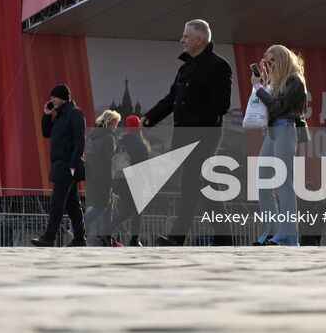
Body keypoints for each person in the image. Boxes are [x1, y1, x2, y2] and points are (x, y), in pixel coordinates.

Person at [142, 19, 232, 246]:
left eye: (186, 36)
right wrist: (149, 117)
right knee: (200, 185)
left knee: (192, 182)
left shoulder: (218, 66)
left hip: (204, 133)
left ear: (199, 39)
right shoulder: (185, 68)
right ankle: (223, 237)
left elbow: (220, 104)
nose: (181, 40)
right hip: (185, 135)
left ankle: (178, 236)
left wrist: (199, 126)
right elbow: (171, 99)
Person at [251, 44, 307, 246]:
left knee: (285, 183)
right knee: (263, 181)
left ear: (283, 59)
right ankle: (271, 232)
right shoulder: (277, 81)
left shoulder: (295, 80)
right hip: (273, 130)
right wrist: (264, 82)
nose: (269, 64)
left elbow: (279, 106)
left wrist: (258, 88)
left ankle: (288, 236)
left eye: (273, 60)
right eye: (267, 60)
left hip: (286, 129)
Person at [33, 84, 87, 246]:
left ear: (63, 97)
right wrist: (46, 115)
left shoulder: (75, 113)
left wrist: (73, 164)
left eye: (54, 97)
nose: (52, 100)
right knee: (72, 205)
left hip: (67, 165)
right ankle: (79, 238)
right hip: (60, 164)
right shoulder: (59, 115)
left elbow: (80, 140)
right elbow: (46, 133)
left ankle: (49, 237)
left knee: (57, 202)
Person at [108, 115, 151, 245]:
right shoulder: (140, 144)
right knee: (137, 210)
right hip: (135, 181)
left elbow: (114, 163)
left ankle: (107, 229)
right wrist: (150, 182)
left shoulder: (121, 143)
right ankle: (134, 239)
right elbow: (145, 166)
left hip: (120, 182)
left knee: (126, 210)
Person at [84, 109, 121, 245]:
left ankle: (106, 237)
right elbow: (109, 161)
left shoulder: (94, 136)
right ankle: (78, 226)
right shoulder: (109, 138)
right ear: (110, 122)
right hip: (104, 178)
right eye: (116, 123)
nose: (117, 126)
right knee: (101, 206)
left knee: (108, 207)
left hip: (93, 176)